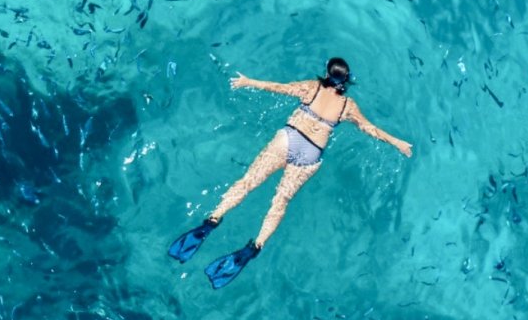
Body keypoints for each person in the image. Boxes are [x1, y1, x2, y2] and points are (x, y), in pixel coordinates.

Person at [168, 58, 413, 288]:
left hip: (288, 140)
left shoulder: (312, 88)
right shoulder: (347, 106)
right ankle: (255, 246)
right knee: (280, 202)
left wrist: (248, 81)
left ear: (327, 73)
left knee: (247, 183)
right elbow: (370, 128)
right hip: (310, 155)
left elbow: (280, 88)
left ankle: (212, 220)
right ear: (346, 79)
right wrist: (397, 142)